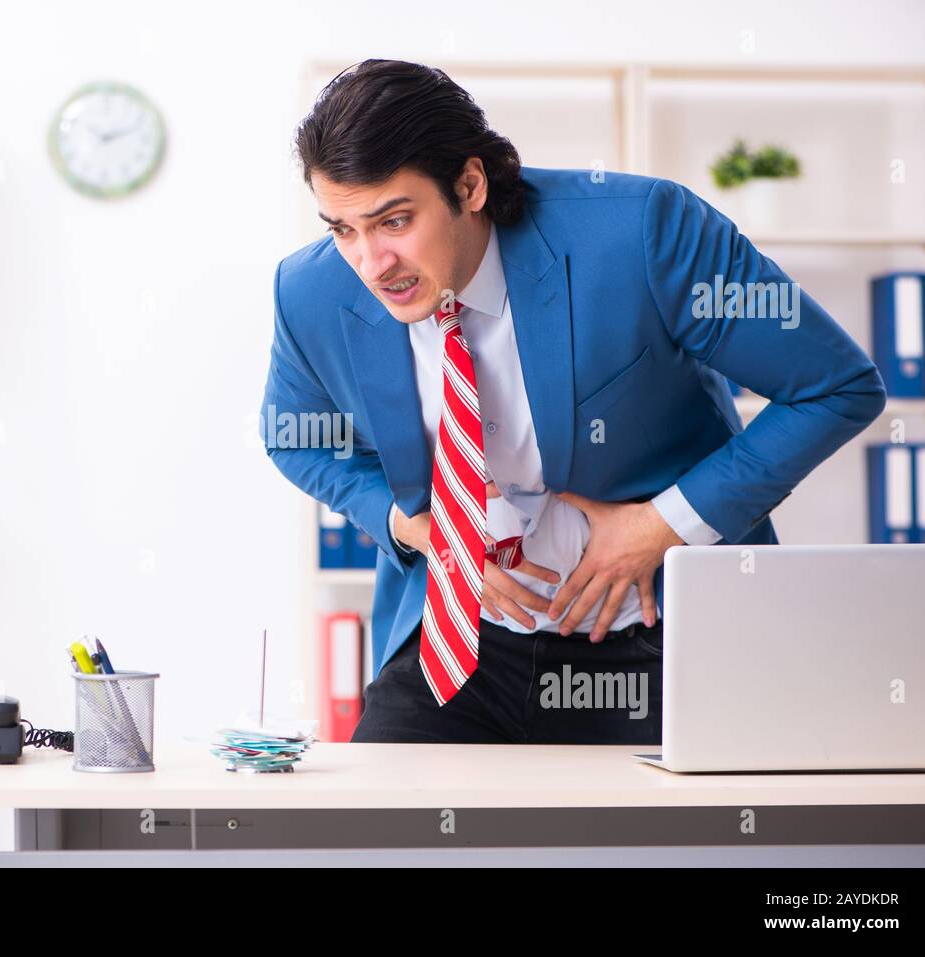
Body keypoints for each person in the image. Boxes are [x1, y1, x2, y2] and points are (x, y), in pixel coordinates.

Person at [259, 59, 886, 744]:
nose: (371, 263)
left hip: (657, 628)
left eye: (395, 221)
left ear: (469, 185)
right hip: (459, 638)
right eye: (343, 229)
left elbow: (835, 387)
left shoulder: (643, 233)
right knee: (378, 835)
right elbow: (297, 436)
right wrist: (420, 528)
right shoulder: (311, 288)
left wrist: (663, 525)